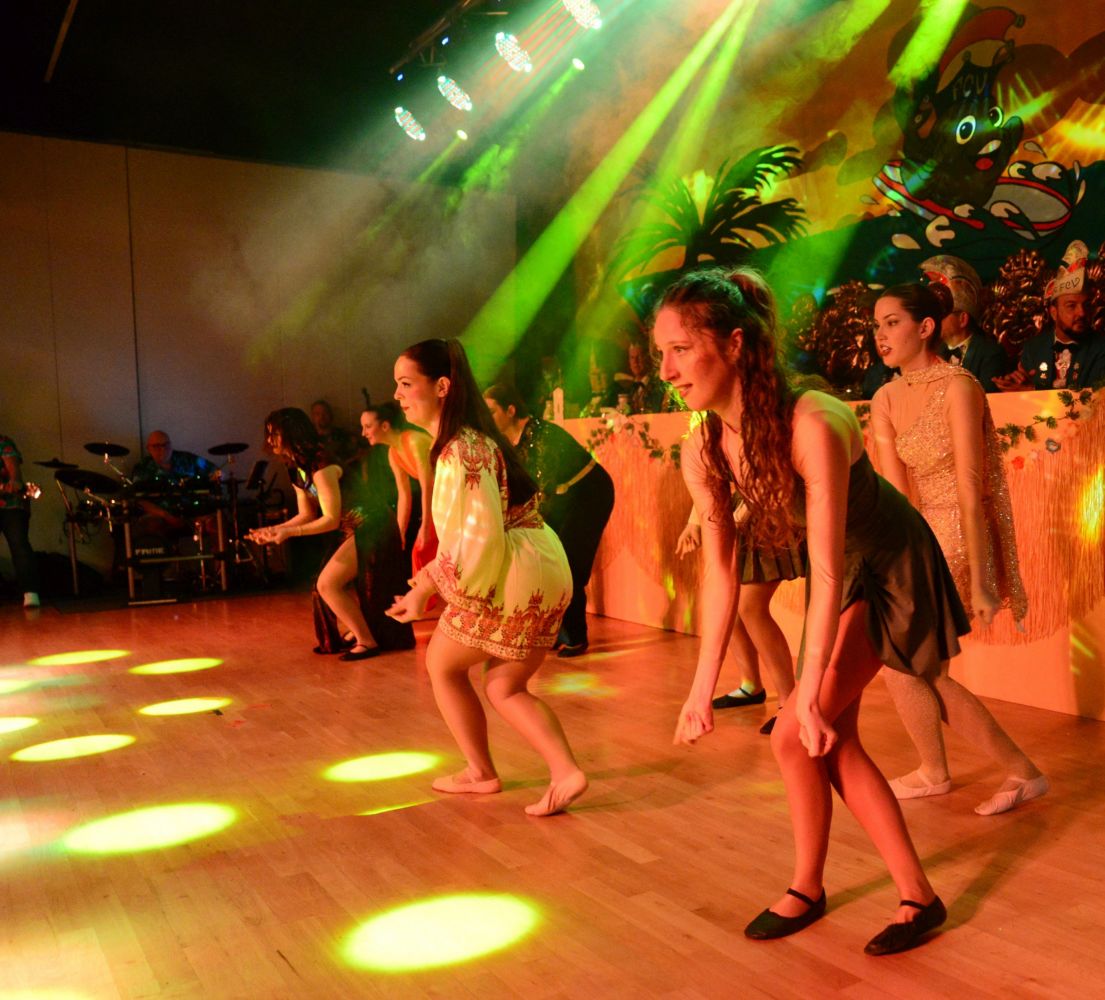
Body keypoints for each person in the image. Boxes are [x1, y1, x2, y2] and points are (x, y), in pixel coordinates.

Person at [655, 266, 965, 955]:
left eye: (680, 349)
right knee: (826, 738)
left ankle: (819, 886)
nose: (667, 371)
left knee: (793, 733)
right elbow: (721, 573)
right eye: (661, 353)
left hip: (887, 566)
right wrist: (699, 690)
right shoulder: (703, 445)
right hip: (846, 576)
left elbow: (825, 573)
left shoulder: (813, 422)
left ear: (734, 344)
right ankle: (905, 894)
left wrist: (806, 690)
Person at [385, 339, 586, 817]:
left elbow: (479, 537)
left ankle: (481, 772)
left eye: (406, 384)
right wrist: (428, 584)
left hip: (517, 569)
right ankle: (563, 772)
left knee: (442, 663)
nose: (397, 395)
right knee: (503, 686)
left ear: (442, 386)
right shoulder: (469, 442)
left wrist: (429, 588)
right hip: (538, 562)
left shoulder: (461, 451)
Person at [870, 283, 1048, 816]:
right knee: (920, 669)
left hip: (958, 531)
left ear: (926, 327)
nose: (880, 335)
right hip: (918, 532)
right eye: (877, 325)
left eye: (892, 323)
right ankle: (995, 771)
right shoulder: (884, 397)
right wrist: (888, 561)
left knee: (906, 666)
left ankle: (966, 771)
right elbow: (896, 496)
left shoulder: (959, 387)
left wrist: (983, 582)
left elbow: (972, 487)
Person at [251, 407, 412, 660]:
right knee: (326, 585)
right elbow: (306, 514)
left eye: (275, 433)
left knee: (328, 584)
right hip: (354, 526)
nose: (270, 440)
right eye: (268, 433)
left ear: (292, 433)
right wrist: (275, 530)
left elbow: (329, 519)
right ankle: (361, 633)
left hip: (372, 523)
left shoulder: (321, 463)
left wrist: (289, 533)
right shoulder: (295, 467)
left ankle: (367, 641)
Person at [484, 382, 615, 656]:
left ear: (510, 410)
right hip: (563, 497)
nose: (488, 419)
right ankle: (554, 631)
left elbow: (540, 490)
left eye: (492, 411)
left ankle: (575, 637)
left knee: (569, 564)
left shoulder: (542, 435)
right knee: (549, 561)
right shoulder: (510, 441)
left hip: (589, 495)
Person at [675, 503, 797, 733]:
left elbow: (762, 492)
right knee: (727, 601)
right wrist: (694, 522)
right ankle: (751, 685)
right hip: (738, 519)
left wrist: (731, 523)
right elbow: (711, 485)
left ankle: (788, 702)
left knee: (750, 606)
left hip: (769, 517)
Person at [994, 240, 1105, 391]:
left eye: (1086, 305)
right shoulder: (1033, 348)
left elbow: (1092, 400)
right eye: (1071, 306)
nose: (1082, 313)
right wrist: (1015, 385)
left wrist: (1033, 392)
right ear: (1053, 312)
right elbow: (1023, 396)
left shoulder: (1101, 349)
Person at [359, 400, 437, 574]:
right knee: (419, 555)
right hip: (438, 502)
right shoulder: (393, 453)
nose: (363, 433)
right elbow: (404, 495)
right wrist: (400, 533)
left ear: (385, 426)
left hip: (450, 497)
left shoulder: (413, 441)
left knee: (425, 554)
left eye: (368, 426)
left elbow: (428, 486)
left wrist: (426, 526)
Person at [921, 255, 1009, 392]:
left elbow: (988, 397)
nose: (935, 321)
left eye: (942, 315)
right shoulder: (932, 353)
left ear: (962, 319)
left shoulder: (990, 353)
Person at [130, 430, 219, 535]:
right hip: (162, 515)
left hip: (193, 511)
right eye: (157, 446)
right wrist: (166, 515)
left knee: (216, 523)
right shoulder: (143, 467)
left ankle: (221, 546)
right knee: (151, 525)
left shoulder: (186, 459)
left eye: (166, 445)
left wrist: (216, 479)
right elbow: (140, 500)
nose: (163, 449)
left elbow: (215, 471)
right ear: (148, 448)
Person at [1, 433, 40, 608]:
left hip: (11, 506)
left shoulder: (3, 443)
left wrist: (15, 482)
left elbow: (15, 475)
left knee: (19, 545)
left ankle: (30, 593)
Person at [309, 399, 357, 465]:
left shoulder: (342, 435)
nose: (322, 417)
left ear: (331, 415)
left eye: (325, 413)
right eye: (317, 414)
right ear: (312, 417)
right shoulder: (309, 439)